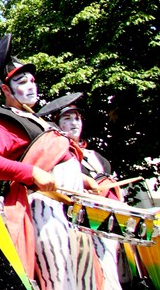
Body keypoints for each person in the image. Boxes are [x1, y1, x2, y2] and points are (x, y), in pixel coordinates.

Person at [0, 34, 99, 289]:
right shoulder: (4, 121)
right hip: (45, 209)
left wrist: (83, 179)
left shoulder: (40, 122)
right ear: (6, 89)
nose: (31, 86)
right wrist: (31, 172)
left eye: (33, 81)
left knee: (86, 281)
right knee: (61, 280)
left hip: (73, 209)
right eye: (22, 81)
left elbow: (55, 161)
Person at [41, 97, 122, 290]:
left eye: (77, 118)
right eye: (67, 119)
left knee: (109, 273)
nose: (74, 123)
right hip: (72, 223)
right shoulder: (57, 156)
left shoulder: (98, 158)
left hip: (104, 224)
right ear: (58, 125)